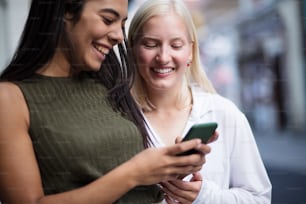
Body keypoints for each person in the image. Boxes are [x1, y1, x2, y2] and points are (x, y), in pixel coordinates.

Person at [0, 0, 213, 203]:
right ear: (66, 10)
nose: (119, 36)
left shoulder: (109, 84)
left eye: (122, 24)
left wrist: (171, 166)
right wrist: (135, 173)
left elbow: (115, 169)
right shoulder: (10, 99)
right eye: (108, 20)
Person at [128, 0, 272, 203]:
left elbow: (260, 198)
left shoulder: (224, 114)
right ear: (132, 48)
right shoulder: (118, 117)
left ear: (190, 51)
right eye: (150, 44)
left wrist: (205, 197)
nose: (163, 57)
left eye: (176, 45)